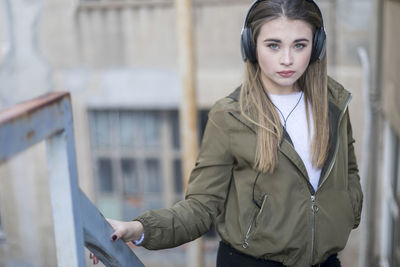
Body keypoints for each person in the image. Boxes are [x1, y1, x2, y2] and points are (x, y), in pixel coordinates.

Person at [90, 0, 363, 266]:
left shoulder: (335, 104)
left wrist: (348, 209)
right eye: (273, 45)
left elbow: (348, 171)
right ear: (251, 46)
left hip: (325, 262)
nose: (287, 59)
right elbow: (201, 207)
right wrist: (139, 228)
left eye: (300, 45)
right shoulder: (230, 115)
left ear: (316, 46)